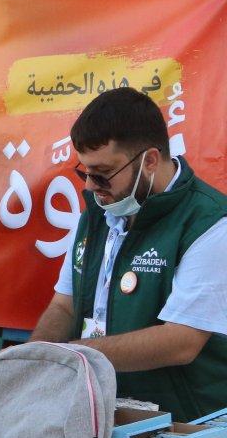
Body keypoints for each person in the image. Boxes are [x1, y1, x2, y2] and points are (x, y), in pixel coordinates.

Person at [30, 87, 227, 420]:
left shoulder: (209, 222)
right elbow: (64, 305)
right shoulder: (96, 212)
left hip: (186, 429)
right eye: (85, 172)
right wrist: (32, 362)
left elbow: (182, 341)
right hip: (105, 414)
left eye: (103, 173)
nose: (90, 186)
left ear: (149, 160)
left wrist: (71, 356)